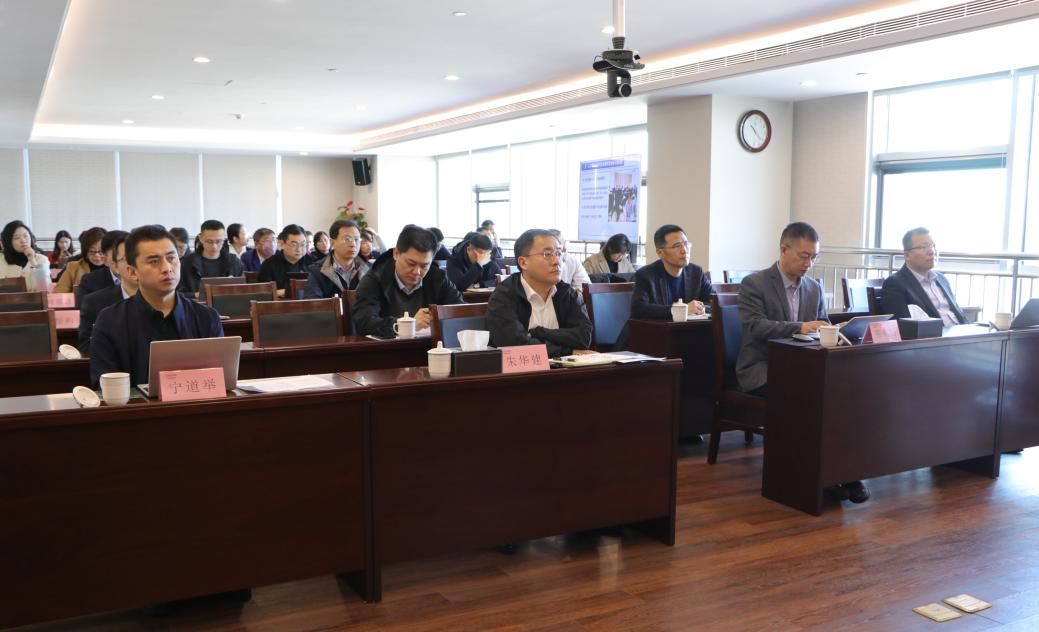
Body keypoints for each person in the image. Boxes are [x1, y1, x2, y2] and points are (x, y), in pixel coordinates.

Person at [736, 222, 868, 504]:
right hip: (763, 367)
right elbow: (755, 326)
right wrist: (800, 327)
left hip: (805, 367)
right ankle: (810, 477)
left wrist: (835, 330)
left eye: (814, 257)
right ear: (784, 249)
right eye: (804, 256)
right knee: (809, 398)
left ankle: (844, 472)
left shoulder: (813, 287)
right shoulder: (755, 283)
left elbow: (820, 326)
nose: (809, 263)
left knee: (845, 395)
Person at [89, 225, 223, 388]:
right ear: (132, 272)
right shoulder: (110, 321)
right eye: (154, 261)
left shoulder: (206, 318)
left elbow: (219, 381)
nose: (167, 268)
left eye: (171, 258)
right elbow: (104, 388)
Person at [487, 228, 593, 357]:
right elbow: (515, 344)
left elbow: (583, 338)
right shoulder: (504, 295)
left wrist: (538, 332)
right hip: (519, 368)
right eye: (547, 254)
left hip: (565, 368)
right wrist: (568, 351)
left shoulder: (567, 293)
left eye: (558, 253)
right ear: (523, 262)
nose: (557, 261)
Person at [352, 225, 464, 337]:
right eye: (411, 264)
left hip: (430, 345)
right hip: (387, 347)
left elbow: (462, 311)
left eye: (424, 266)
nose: (417, 272)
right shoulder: (375, 278)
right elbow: (365, 322)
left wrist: (440, 317)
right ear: (396, 253)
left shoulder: (437, 277)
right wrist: (407, 324)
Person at [881, 227, 968, 326]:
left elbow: (960, 315)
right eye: (924, 247)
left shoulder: (941, 279)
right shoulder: (895, 283)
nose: (932, 251)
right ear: (907, 255)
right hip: (935, 334)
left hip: (961, 332)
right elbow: (901, 324)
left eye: (933, 246)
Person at [631, 225, 712, 319]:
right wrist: (681, 310)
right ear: (660, 253)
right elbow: (639, 309)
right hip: (659, 328)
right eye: (677, 246)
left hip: (690, 327)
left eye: (686, 244)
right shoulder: (645, 275)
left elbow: (714, 302)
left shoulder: (696, 272)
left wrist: (701, 308)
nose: (684, 250)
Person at [78, 232, 138, 354]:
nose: (135, 264)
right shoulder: (94, 301)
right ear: (114, 265)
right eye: (127, 259)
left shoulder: (164, 297)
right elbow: (86, 346)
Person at [303, 219, 371, 298]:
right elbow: (313, 303)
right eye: (347, 239)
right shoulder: (317, 270)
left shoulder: (369, 269)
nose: (353, 244)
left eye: (356, 239)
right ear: (332, 242)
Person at [178, 220, 244, 294]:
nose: (214, 246)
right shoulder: (187, 263)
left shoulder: (234, 263)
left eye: (218, 241)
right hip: (195, 301)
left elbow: (243, 291)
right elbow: (178, 293)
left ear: (224, 239)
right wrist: (194, 295)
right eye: (209, 241)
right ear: (201, 238)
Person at [258, 224, 314, 293]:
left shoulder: (312, 263)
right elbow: (264, 293)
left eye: (302, 244)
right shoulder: (269, 265)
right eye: (294, 244)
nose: (299, 249)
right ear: (282, 244)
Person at [0, 221, 50, 291]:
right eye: (17, 238)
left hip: (34, 298)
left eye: (26, 236)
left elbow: (44, 289)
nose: (23, 240)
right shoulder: (1, 260)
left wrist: (33, 261)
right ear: (8, 241)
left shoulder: (41, 259)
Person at [78, 230, 128, 300]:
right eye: (116, 257)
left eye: (127, 256)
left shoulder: (140, 278)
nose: (124, 262)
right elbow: (82, 305)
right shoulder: (89, 281)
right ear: (105, 260)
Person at [55, 227, 107, 293]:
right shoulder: (73, 268)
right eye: (91, 251)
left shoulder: (115, 267)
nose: (97, 255)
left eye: (101, 251)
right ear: (85, 251)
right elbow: (59, 293)